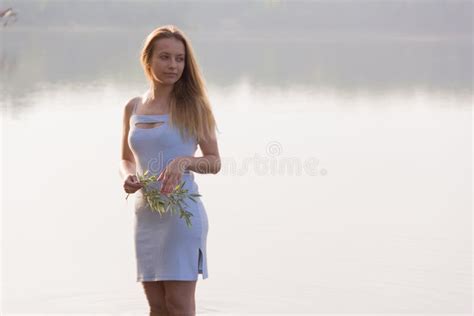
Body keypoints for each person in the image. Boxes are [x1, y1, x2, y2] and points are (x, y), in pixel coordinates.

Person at [119, 25, 221, 316]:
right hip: (146, 214)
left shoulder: (195, 107)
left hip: (182, 216)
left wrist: (184, 161)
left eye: (179, 58)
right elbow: (125, 159)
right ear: (147, 60)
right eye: (165, 57)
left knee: (178, 306)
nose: (173, 65)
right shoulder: (133, 106)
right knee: (157, 307)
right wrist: (126, 177)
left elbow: (214, 161)